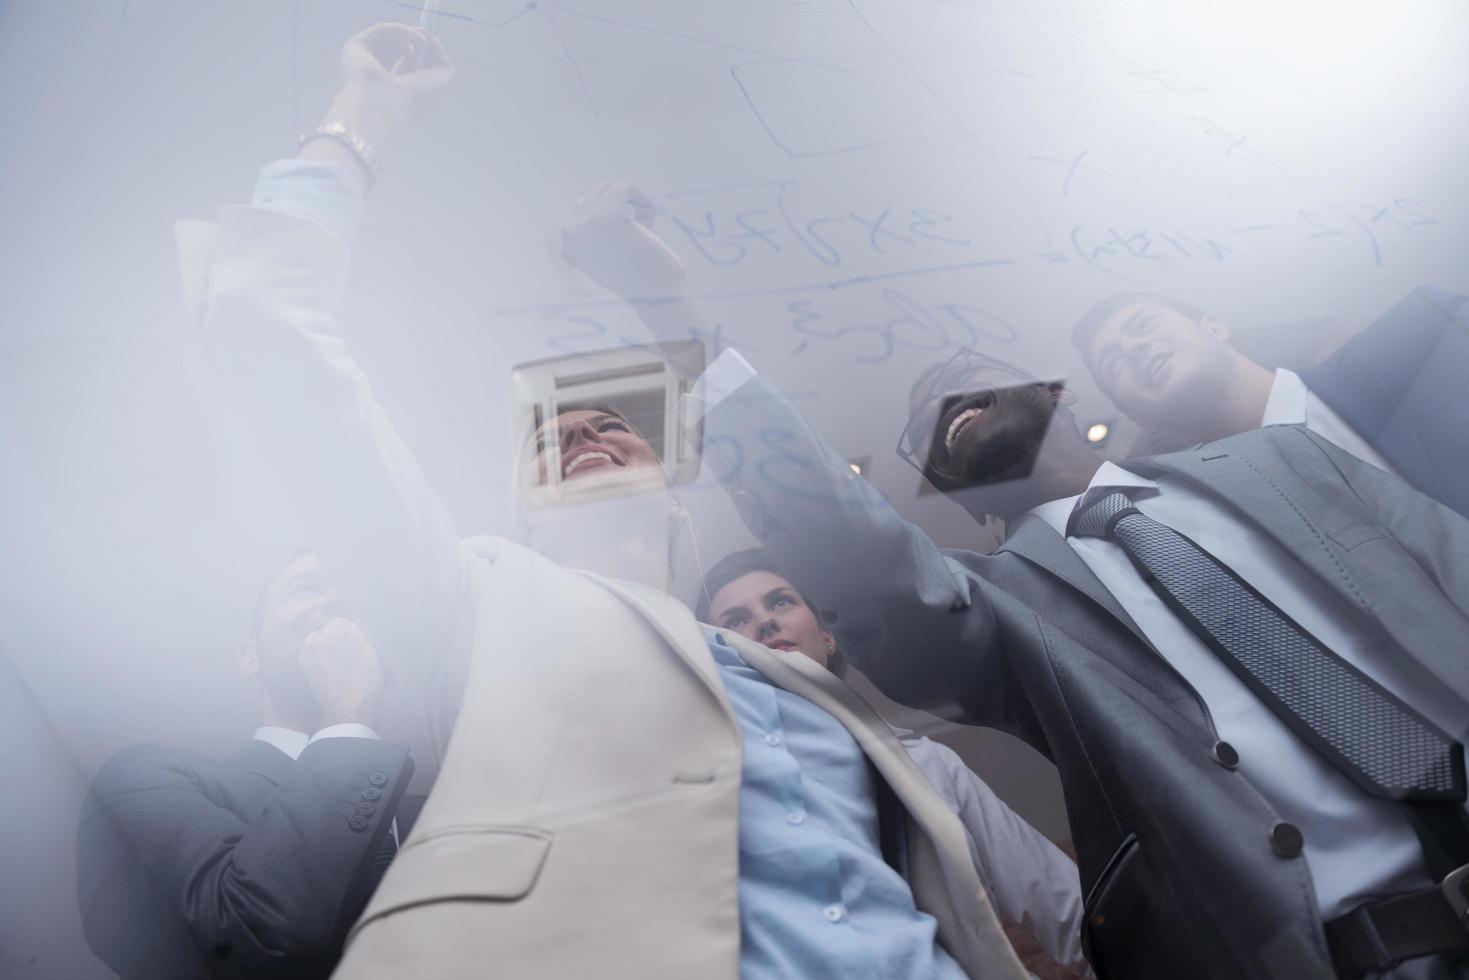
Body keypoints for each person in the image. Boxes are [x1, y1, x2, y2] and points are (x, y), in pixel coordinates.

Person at [184, 22, 1035, 980]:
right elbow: (270, 341)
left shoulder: (807, 683)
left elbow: (855, 548)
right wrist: (358, 122)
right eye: (551, 439)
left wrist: (672, 308)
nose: (582, 435)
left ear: (678, 507)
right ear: (515, 525)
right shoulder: (470, 608)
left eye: (611, 428)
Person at [562, 189, 1469, 979]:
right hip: (1359, 953)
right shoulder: (1000, 612)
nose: (950, 409)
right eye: (931, 427)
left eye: (974, 388)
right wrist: (670, 310)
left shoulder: (1281, 458)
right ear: (963, 499)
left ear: (1062, 400)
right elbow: (852, 552)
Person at [699, 547, 1091, 980]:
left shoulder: (926, 763)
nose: (764, 622)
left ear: (828, 635)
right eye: (735, 621)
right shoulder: (708, 798)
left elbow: (1068, 912)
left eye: (781, 601)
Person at [76, 552, 418, 979]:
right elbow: (247, 941)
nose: (337, 604)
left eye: (352, 597)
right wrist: (349, 709)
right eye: (307, 589)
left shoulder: (450, 802)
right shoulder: (143, 781)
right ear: (249, 656)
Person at [1069, 289, 1469, 518]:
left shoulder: (1426, 334)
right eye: (1114, 362)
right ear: (1136, 414)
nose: (1135, 348)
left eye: (1144, 325)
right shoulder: (1210, 525)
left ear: (1214, 327)